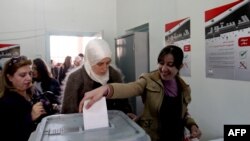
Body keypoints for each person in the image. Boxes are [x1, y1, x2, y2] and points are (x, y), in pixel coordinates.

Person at [79, 45, 202, 141]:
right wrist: (106, 89)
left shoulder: (184, 88)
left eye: (170, 65)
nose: (163, 69)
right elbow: (130, 88)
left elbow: (183, 113)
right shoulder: (148, 80)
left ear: (179, 66)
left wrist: (192, 125)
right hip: (153, 138)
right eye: (161, 63)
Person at [61, 39, 133, 116]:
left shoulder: (114, 74)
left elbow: (124, 102)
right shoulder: (75, 78)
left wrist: (128, 114)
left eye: (108, 63)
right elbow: (68, 112)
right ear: (90, 61)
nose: (105, 68)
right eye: (100, 64)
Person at [0, 56, 46, 141]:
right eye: (22, 75)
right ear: (9, 77)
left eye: (30, 74)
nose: (28, 78)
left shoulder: (32, 93)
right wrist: (30, 117)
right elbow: (9, 134)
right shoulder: (5, 103)